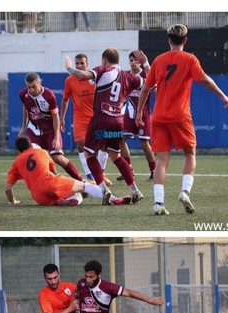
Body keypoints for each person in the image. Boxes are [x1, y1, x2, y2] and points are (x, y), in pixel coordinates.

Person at [136, 24, 228, 215]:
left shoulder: (159, 60)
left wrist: (139, 113)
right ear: (185, 40)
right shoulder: (190, 59)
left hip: (160, 116)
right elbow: (204, 79)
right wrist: (222, 95)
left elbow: (146, 89)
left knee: (162, 159)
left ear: (169, 40)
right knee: (190, 154)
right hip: (180, 115)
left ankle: (158, 203)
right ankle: (185, 191)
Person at [65, 48, 147, 205]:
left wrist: (69, 68)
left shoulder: (103, 70)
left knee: (89, 155)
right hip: (118, 122)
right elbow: (150, 83)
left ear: (104, 61)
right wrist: (146, 64)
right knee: (115, 156)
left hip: (101, 120)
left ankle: (104, 190)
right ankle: (134, 189)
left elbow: (83, 75)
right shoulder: (128, 76)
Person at [5, 136, 132, 206]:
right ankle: (115, 199)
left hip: (37, 196)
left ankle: (62, 200)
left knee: (68, 194)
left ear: (19, 151)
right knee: (84, 187)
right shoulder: (41, 152)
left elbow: (7, 188)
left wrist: (13, 201)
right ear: (31, 146)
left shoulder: (16, 162)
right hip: (49, 182)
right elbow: (53, 172)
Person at [18, 72, 86, 182]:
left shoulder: (49, 95)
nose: (31, 90)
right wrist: (23, 126)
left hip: (50, 130)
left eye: (33, 87)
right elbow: (26, 108)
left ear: (39, 83)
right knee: (39, 158)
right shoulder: (23, 95)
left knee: (57, 157)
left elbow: (55, 116)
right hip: (34, 130)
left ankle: (80, 180)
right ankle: (55, 182)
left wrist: (56, 137)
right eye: (28, 87)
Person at [60, 53, 113, 186]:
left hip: (97, 116)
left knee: (104, 144)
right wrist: (62, 118)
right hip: (80, 118)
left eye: (82, 63)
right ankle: (90, 176)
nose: (79, 66)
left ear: (87, 64)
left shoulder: (94, 77)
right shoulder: (70, 81)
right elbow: (65, 99)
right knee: (81, 144)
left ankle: (101, 173)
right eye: (77, 63)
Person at [120, 51, 156, 181]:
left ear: (140, 62)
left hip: (143, 113)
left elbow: (155, 88)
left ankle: (153, 170)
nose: (133, 62)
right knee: (121, 140)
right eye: (131, 60)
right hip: (128, 113)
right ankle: (128, 170)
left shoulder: (145, 74)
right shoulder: (125, 75)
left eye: (136, 60)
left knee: (144, 142)